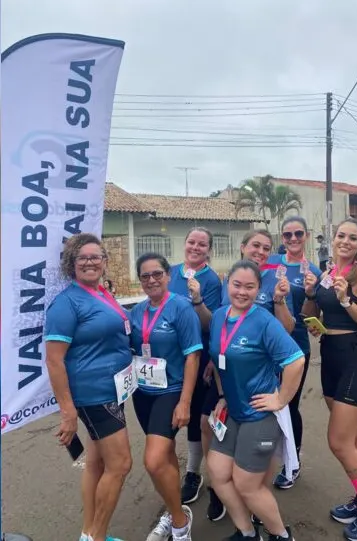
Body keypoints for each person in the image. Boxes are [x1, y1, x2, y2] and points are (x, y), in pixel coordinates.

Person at [301, 217, 357, 541]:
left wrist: (346, 301)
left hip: (353, 362)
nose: (346, 241)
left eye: (353, 238)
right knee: (353, 439)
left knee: (339, 442)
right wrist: (312, 301)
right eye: (341, 236)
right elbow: (312, 311)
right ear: (333, 240)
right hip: (330, 360)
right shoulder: (327, 274)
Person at [207, 260, 306, 541]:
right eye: (237, 285)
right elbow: (218, 360)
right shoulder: (218, 317)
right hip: (234, 410)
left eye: (249, 287)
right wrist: (224, 395)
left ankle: (280, 535)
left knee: (246, 484)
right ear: (228, 283)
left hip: (259, 414)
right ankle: (248, 533)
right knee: (217, 472)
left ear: (258, 289)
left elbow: (295, 361)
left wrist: (281, 399)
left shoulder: (264, 321)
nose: (242, 292)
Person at [44, 233, 134, 541]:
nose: (90, 262)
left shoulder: (101, 293)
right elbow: (55, 361)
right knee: (121, 465)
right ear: (71, 265)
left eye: (96, 256)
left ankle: (89, 532)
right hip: (94, 396)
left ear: (106, 262)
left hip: (113, 391)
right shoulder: (66, 303)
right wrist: (67, 412)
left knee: (96, 463)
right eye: (82, 258)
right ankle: (95, 537)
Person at [129, 253, 203, 541]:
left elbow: (193, 356)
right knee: (166, 456)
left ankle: (181, 521)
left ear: (168, 276)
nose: (152, 280)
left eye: (157, 273)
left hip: (171, 392)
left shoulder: (181, 308)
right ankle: (174, 514)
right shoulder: (136, 312)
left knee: (153, 461)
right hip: (143, 394)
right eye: (145, 276)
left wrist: (185, 401)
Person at [167, 228, 225, 520]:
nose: (196, 247)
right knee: (169, 414)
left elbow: (211, 324)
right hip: (168, 357)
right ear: (184, 244)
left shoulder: (212, 280)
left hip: (198, 357)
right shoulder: (170, 273)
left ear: (208, 249)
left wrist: (198, 299)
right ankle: (175, 473)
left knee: (197, 419)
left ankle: (194, 473)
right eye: (191, 242)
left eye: (202, 244)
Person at [267, 216, 323, 489]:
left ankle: (293, 460)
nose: (292, 239)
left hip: (296, 347)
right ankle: (266, 457)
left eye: (298, 233)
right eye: (287, 234)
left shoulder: (313, 270)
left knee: (289, 405)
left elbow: (315, 315)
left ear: (306, 235)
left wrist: (312, 294)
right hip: (265, 348)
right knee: (266, 404)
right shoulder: (270, 267)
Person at [222, 229, 294, 334]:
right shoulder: (229, 277)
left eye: (266, 249)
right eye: (256, 245)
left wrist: (279, 300)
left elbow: (287, 329)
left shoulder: (279, 282)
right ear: (242, 248)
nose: (260, 252)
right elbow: (220, 316)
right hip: (229, 345)